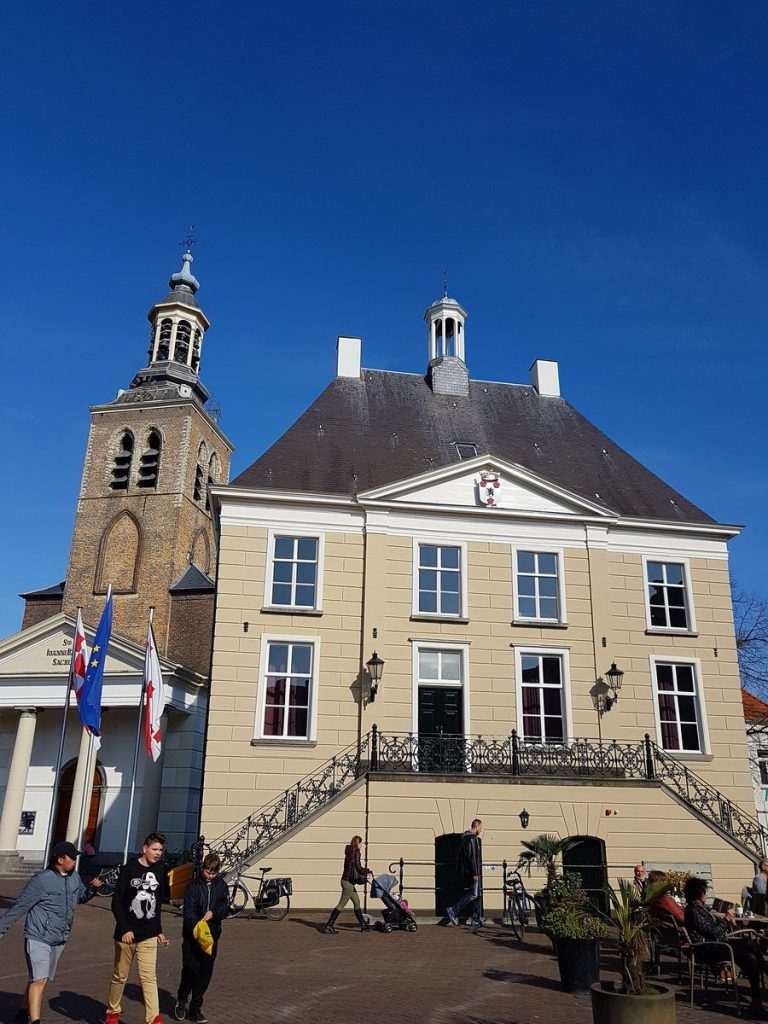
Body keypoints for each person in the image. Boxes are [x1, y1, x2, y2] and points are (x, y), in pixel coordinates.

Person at [0, 841, 102, 1024]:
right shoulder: (41, 880)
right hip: (38, 936)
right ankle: (35, 1020)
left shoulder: (74, 877)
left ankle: (23, 1011)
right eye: (72, 857)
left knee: (38, 977)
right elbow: (19, 907)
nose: (74, 860)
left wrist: (93, 889)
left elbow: (82, 897)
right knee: (40, 979)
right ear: (60, 859)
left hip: (59, 937)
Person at [105, 832, 169, 1024]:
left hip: (148, 932)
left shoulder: (159, 871)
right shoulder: (129, 869)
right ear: (145, 848)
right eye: (154, 849)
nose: (158, 853)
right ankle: (112, 1012)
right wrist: (124, 928)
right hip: (126, 934)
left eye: (160, 850)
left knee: (149, 977)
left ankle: (153, 1018)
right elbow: (116, 902)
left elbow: (157, 904)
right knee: (120, 976)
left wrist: (159, 930)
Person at [684, 876, 768, 1019]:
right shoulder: (693, 910)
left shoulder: (700, 909)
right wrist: (726, 920)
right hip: (708, 949)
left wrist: (726, 922)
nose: (706, 894)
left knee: (751, 958)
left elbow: (714, 930)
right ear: (698, 894)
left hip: (717, 945)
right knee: (748, 942)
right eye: (704, 892)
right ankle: (766, 969)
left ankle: (756, 1001)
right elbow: (713, 932)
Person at [174, 853, 230, 1024]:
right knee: (190, 970)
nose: (209, 875)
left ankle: (196, 1008)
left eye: (213, 873)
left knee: (205, 973)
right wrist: (197, 926)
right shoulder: (193, 886)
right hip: (192, 937)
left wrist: (214, 913)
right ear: (203, 868)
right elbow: (188, 913)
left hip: (211, 937)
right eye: (207, 871)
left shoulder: (221, 885)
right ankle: (182, 1000)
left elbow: (225, 906)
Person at [322, 834, 372, 933]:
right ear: (358, 843)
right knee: (341, 904)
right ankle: (329, 925)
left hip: (347, 881)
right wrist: (367, 871)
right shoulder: (356, 852)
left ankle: (363, 925)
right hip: (348, 883)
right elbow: (358, 867)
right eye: (361, 843)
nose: (362, 845)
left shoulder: (349, 851)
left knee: (357, 902)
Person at [446, 819, 483, 931]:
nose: (481, 830)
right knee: (474, 894)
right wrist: (475, 872)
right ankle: (453, 909)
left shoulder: (465, 838)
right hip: (473, 872)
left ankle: (475, 920)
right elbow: (472, 857)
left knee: (477, 895)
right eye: (480, 828)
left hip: (467, 871)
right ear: (476, 826)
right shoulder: (472, 839)